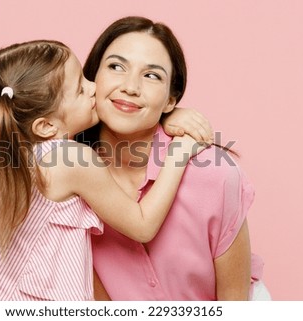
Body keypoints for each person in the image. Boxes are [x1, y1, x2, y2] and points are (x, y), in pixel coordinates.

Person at [0, 40, 211, 301]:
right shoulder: (70, 158)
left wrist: (169, 113)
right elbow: (141, 225)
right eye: (80, 89)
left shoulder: (16, 154)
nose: (93, 88)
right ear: (46, 126)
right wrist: (178, 153)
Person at [76, 16, 270, 300]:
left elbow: (235, 304)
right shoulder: (66, 181)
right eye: (116, 66)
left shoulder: (213, 175)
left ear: (170, 98)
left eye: (152, 75)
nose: (130, 86)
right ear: (92, 80)